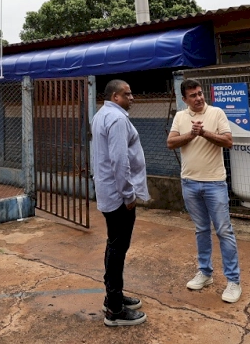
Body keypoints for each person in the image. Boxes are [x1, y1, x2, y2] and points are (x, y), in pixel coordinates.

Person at [167, 79, 242, 303]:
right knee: (201, 229)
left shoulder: (217, 113)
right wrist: (191, 134)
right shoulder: (180, 117)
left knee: (224, 231)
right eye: (193, 95)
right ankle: (205, 273)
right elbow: (171, 142)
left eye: (200, 93)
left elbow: (228, 141)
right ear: (184, 99)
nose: (198, 98)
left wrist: (204, 133)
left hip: (214, 183)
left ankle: (233, 281)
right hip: (189, 182)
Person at [91, 79, 150, 327]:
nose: (132, 97)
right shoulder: (116, 119)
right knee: (117, 248)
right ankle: (115, 310)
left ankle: (113, 297)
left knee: (114, 245)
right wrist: (128, 194)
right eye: (128, 94)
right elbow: (119, 160)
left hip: (109, 192)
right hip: (118, 196)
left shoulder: (102, 115)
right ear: (115, 96)